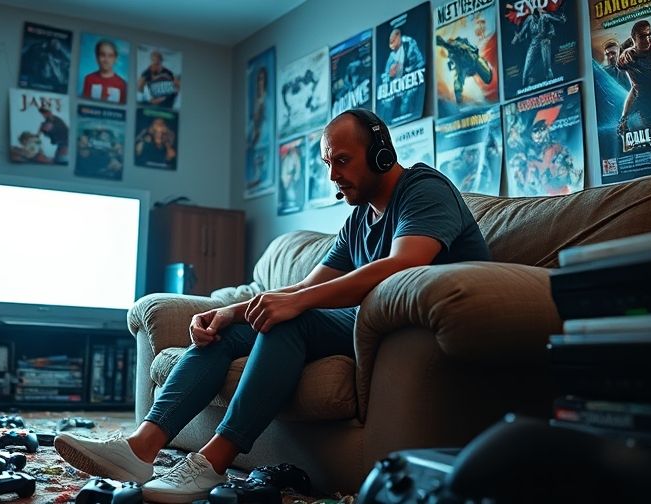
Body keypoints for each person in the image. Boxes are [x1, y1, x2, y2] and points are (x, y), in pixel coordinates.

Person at [55, 108, 491, 503]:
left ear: (380, 154)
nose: (333, 175)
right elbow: (307, 286)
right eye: (327, 164)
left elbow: (404, 264)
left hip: (409, 333)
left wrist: (293, 304)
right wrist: (231, 312)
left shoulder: (423, 189)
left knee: (289, 321)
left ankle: (211, 464)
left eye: (342, 160)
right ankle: (140, 448)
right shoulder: (359, 220)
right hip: (363, 324)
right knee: (243, 324)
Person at [512, 6, 567, 87]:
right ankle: (524, 89)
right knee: (526, 71)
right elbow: (522, 33)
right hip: (534, 44)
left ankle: (553, 87)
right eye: (536, 17)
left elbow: (559, 20)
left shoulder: (544, 17)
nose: (539, 18)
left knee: (547, 68)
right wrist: (517, 38)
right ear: (534, 16)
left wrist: (561, 19)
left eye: (540, 16)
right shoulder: (530, 19)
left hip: (544, 42)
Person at [382, 28, 426, 118]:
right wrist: (390, 75)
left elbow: (420, 61)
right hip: (401, 82)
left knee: (408, 101)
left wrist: (410, 69)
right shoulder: (392, 56)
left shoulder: (410, 43)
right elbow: (386, 74)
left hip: (415, 75)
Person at [82, 39, 128, 104]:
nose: (106, 60)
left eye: (110, 56)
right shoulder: (89, 79)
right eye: (102, 55)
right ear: (97, 57)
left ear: (115, 59)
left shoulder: (122, 84)